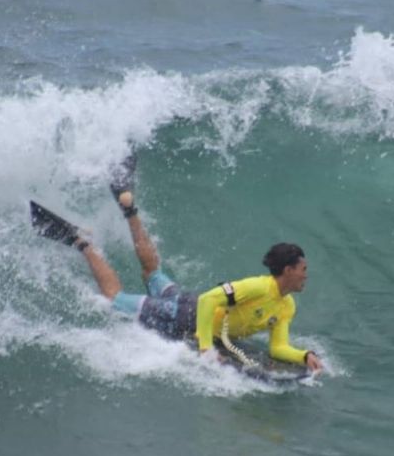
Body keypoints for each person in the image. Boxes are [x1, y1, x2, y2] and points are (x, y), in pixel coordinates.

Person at [31, 155, 322, 374]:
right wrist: (207, 348)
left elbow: (277, 347)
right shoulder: (259, 286)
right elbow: (210, 299)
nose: (306, 276)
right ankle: (81, 242)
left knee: (153, 273)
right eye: (303, 270)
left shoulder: (286, 306)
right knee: (114, 299)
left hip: (185, 303)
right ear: (287, 270)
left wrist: (303, 356)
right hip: (179, 315)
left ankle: (128, 208)